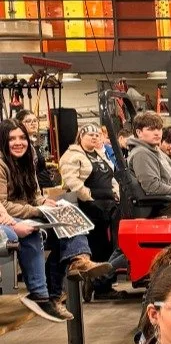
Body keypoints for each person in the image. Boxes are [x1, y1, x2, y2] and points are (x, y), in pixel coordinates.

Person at [0, 118, 111, 315]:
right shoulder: (2, 165)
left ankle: (78, 262)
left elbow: (33, 194)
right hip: (11, 216)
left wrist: (43, 201)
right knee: (36, 234)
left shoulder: (27, 160)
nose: (18, 142)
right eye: (12, 139)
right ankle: (43, 295)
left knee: (70, 221)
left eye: (22, 138)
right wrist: (38, 210)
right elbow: (4, 205)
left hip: (27, 212)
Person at [60, 123, 121, 296]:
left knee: (109, 246)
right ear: (81, 137)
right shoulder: (72, 155)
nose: (94, 137)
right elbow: (72, 182)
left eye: (97, 135)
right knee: (95, 246)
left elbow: (112, 178)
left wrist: (116, 193)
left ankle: (103, 286)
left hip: (108, 205)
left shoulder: (101, 155)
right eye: (90, 135)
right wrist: (89, 196)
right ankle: (95, 284)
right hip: (87, 206)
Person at [1, 198, 75, 321]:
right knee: (12, 235)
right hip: (21, 213)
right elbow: (5, 203)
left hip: (21, 214)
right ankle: (80, 262)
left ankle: (40, 296)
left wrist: (6, 216)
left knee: (66, 229)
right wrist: (12, 224)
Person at [126, 110, 171, 206]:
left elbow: (170, 179)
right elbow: (152, 187)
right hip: (160, 206)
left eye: (159, 129)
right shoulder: (141, 153)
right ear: (139, 132)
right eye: (151, 129)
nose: (157, 133)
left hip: (168, 200)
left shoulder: (155, 150)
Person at [14, 106, 60, 188]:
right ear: (19, 124)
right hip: (34, 189)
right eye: (28, 121)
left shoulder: (32, 144)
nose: (33, 123)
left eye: (35, 120)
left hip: (43, 188)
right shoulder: (20, 146)